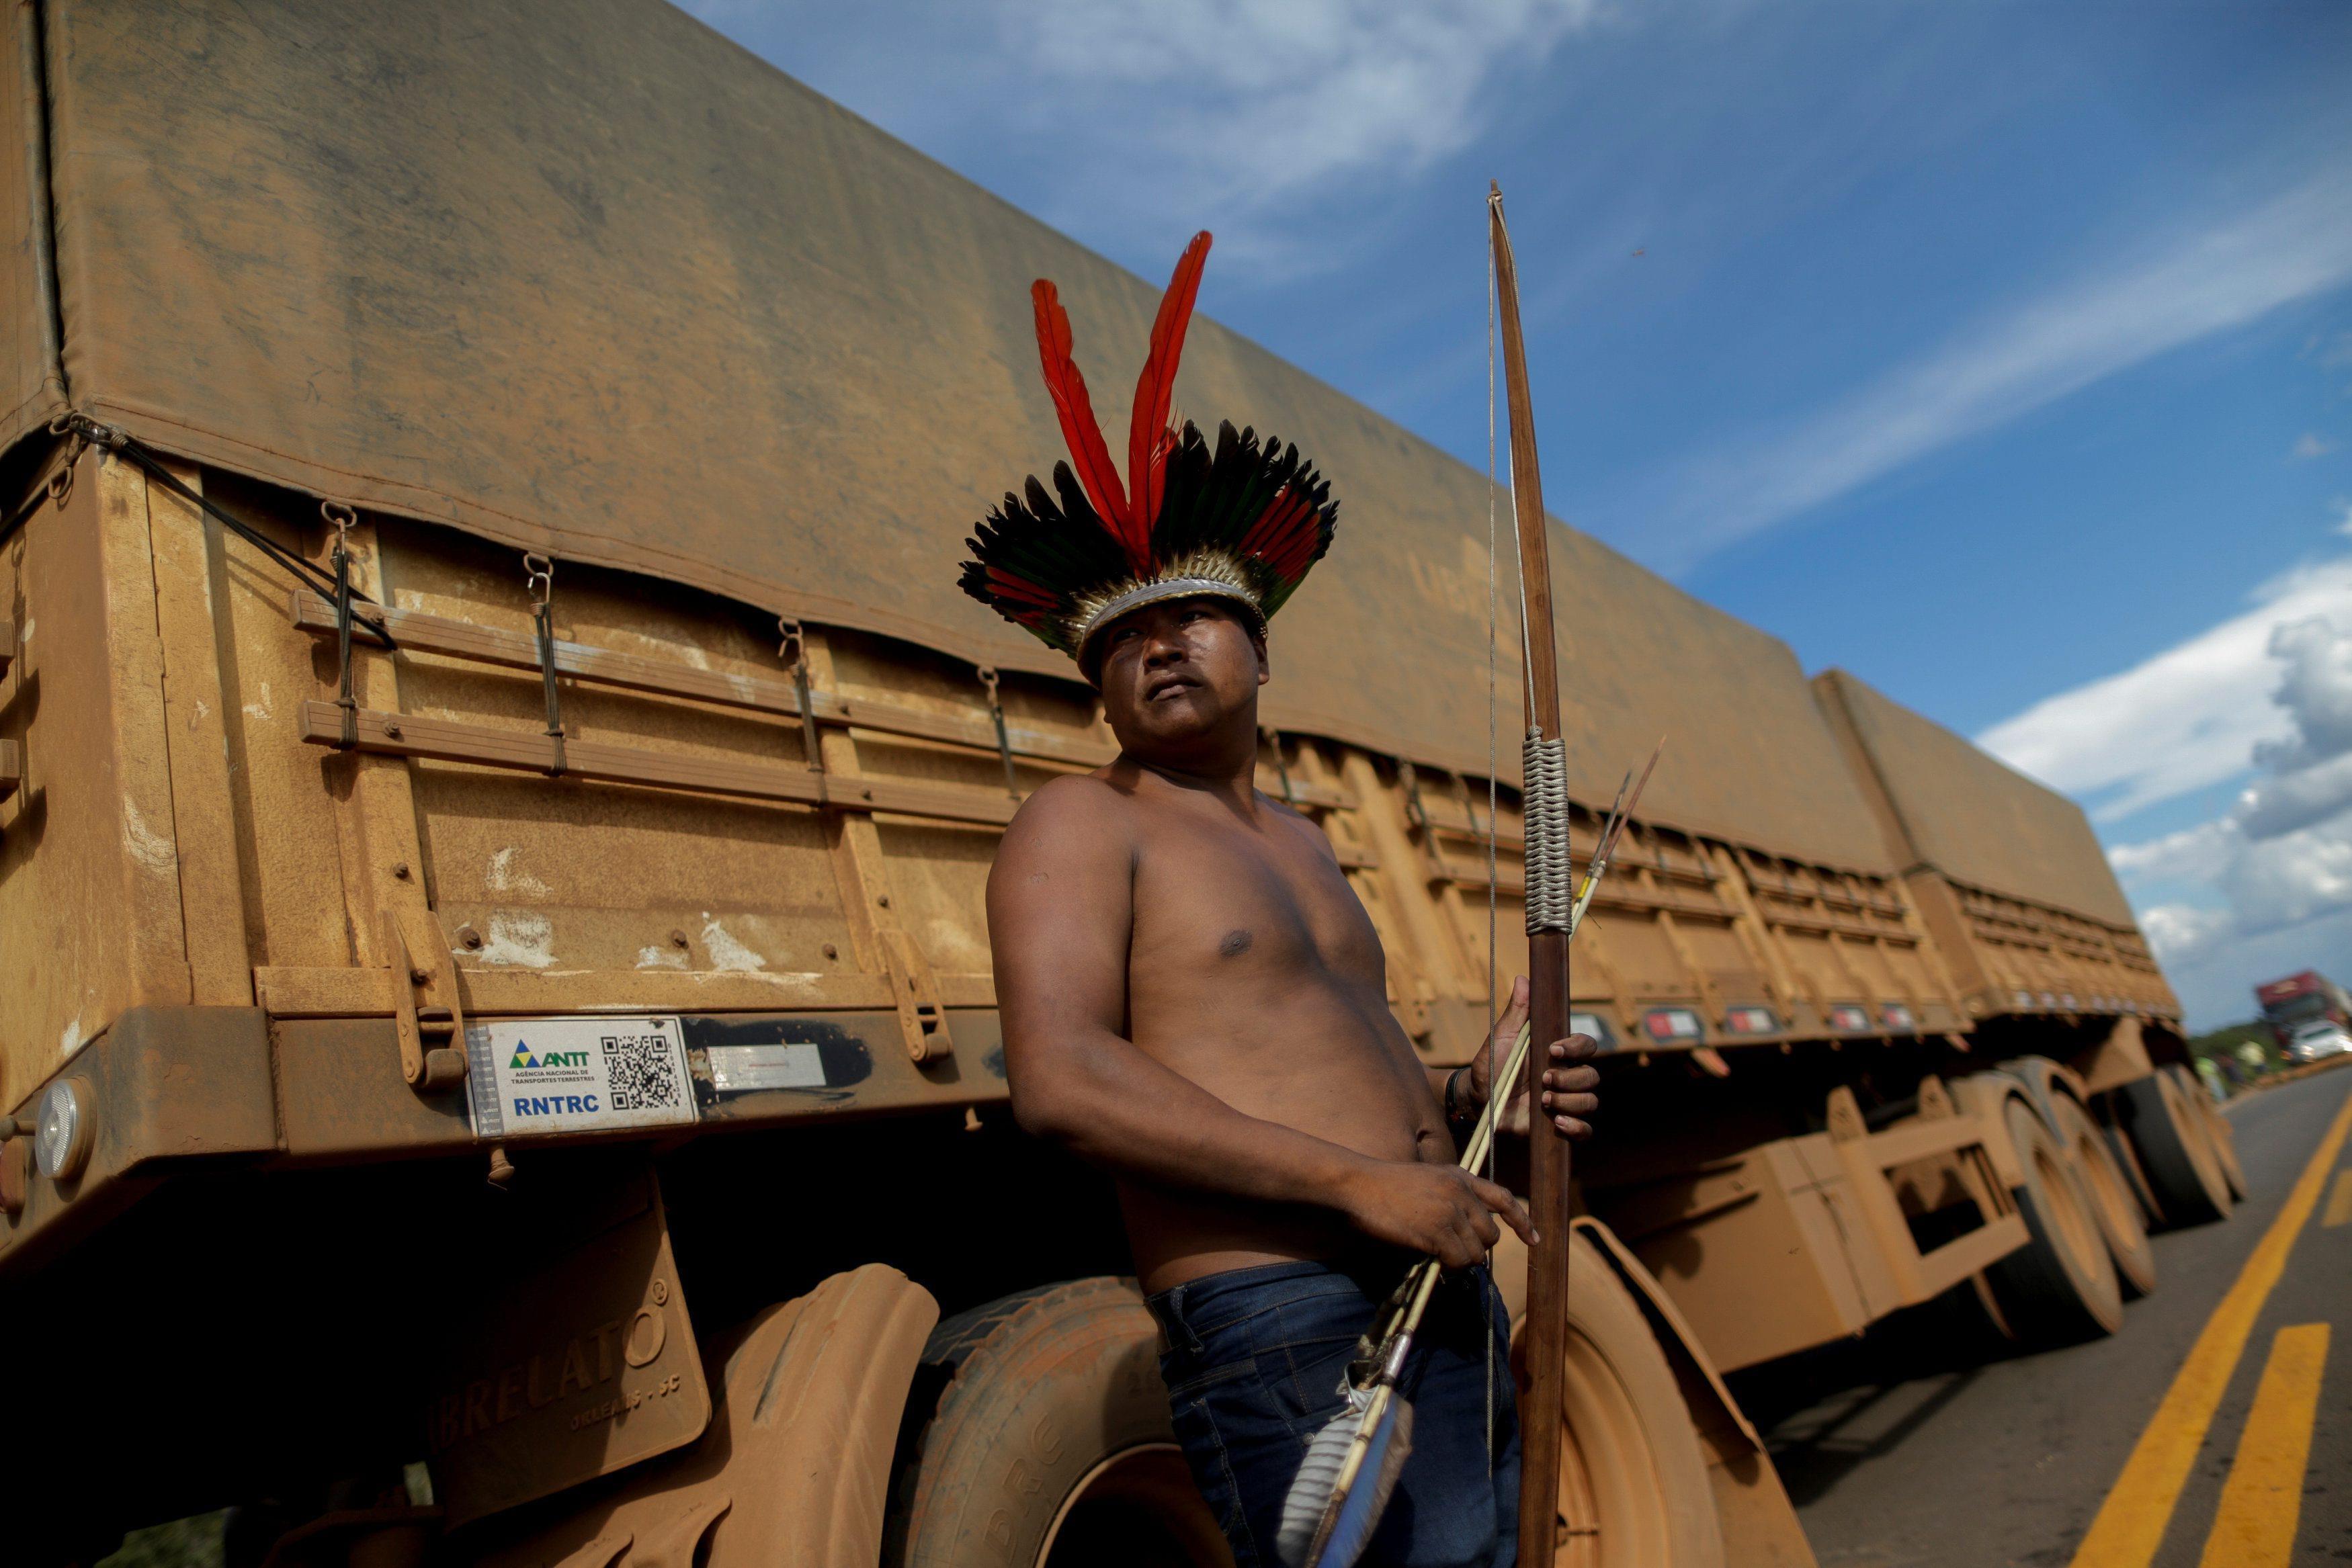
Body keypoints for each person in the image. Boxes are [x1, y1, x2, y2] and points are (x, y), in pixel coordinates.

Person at [960, 232, 1601, 1568]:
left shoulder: (1307, 845)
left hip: (1435, 1272)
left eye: (1189, 615)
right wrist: (1355, 1183)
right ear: (1094, 685)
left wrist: (1476, 1100)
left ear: (1260, 645)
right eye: (1122, 639)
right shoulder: (1082, 824)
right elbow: (1064, 1082)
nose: (1156, 645)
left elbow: (1309, 1069)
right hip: (1285, 1315)